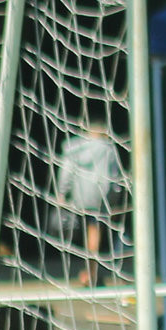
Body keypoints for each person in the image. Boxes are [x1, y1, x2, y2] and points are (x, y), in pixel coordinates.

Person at [52, 118, 122, 288]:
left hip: (79, 196)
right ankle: (91, 272)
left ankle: (88, 272)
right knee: (94, 231)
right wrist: (115, 198)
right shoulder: (108, 149)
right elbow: (115, 176)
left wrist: (61, 193)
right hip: (100, 196)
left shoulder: (74, 147)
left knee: (85, 231)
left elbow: (66, 172)